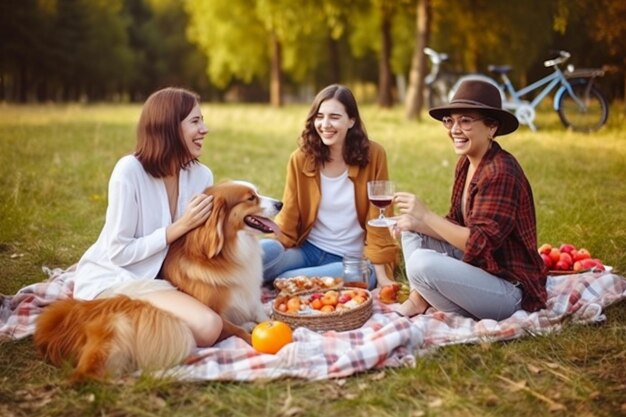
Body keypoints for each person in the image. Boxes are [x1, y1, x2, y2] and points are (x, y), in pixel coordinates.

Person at [71, 87, 222, 346]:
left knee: (217, 316)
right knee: (208, 327)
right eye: (195, 121)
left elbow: (197, 244)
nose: (204, 129)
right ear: (169, 128)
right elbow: (119, 252)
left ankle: (133, 326)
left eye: (202, 120)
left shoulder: (201, 176)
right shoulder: (129, 171)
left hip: (168, 279)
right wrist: (179, 227)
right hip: (117, 277)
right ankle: (112, 328)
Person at [391, 79, 547, 320]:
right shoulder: (466, 163)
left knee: (422, 261)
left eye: (465, 120)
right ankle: (420, 298)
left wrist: (426, 215)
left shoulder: (501, 172)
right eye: (450, 121)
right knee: (412, 231)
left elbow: (479, 244)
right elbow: (456, 224)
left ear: (491, 127)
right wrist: (417, 223)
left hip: (509, 290)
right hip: (480, 268)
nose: (454, 129)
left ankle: (433, 299)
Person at [260, 84, 399, 290]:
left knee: (288, 279)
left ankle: (284, 282)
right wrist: (274, 248)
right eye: (320, 116)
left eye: (334, 117)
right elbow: (289, 216)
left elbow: (379, 218)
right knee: (260, 253)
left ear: (351, 120)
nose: (325, 124)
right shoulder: (300, 159)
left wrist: (383, 276)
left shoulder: (374, 155)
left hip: (353, 260)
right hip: (308, 251)